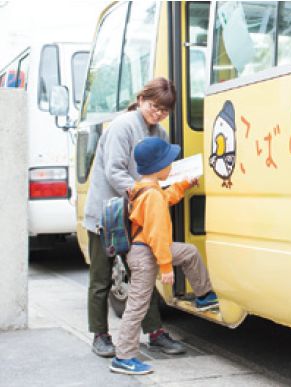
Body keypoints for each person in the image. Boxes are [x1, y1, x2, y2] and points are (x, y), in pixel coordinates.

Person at [84, 78, 186, 357]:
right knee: (101, 279)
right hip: (108, 213)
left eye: (164, 110)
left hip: (136, 215)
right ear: (141, 99)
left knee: (143, 272)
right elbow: (114, 172)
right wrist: (146, 193)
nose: (158, 113)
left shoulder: (161, 133)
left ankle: (154, 332)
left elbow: (161, 171)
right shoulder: (122, 126)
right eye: (154, 106)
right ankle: (100, 335)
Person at [110, 137, 217, 375]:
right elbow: (157, 235)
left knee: (189, 252)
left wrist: (184, 185)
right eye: (170, 161)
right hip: (146, 254)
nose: (172, 165)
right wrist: (166, 267)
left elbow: (167, 198)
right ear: (159, 166)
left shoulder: (145, 188)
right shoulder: (152, 195)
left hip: (146, 251)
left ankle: (203, 295)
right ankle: (123, 357)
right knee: (137, 306)